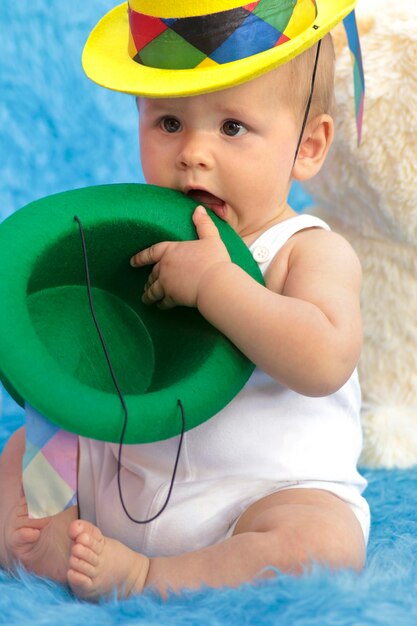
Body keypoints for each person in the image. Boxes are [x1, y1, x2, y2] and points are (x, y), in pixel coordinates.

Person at [0, 0, 369, 601]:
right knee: (29, 441)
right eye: (169, 123)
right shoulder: (141, 239)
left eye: (232, 128)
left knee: (323, 545)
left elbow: (326, 360)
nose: (194, 153)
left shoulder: (305, 251)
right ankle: (47, 535)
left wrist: (218, 285)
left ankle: (151, 577)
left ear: (307, 145)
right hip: (124, 475)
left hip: (259, 497)